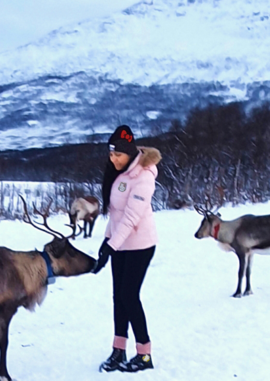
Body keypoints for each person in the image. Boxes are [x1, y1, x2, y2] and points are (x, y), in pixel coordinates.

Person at [92, 124, 161, 373]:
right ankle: (118, 350)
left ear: (130, 153)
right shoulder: (119, 174)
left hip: (140, 246)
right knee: (117, 298)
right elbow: (116, 214)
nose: (113, 159)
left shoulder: (143, 176)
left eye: (118, 155)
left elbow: (131, 217)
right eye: (110, 154)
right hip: (120, 244)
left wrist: (111, 246)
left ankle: (144, 355)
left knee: (129, 297)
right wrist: (107, 240)